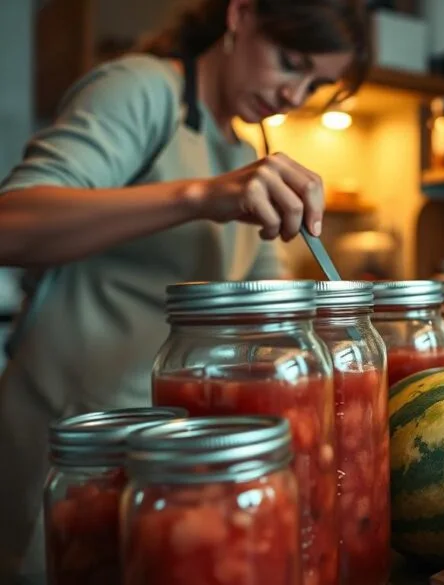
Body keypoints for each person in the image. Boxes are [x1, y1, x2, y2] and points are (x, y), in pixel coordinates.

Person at [0, 0, 369, 579]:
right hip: (82, 450)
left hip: (174, 463)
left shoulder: (245, 153)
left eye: (316, 84)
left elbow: (267, 290)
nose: (295, 95)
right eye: (289, 62)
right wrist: (200, 196)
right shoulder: (141, 88)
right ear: (240, 16)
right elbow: (11, 224)